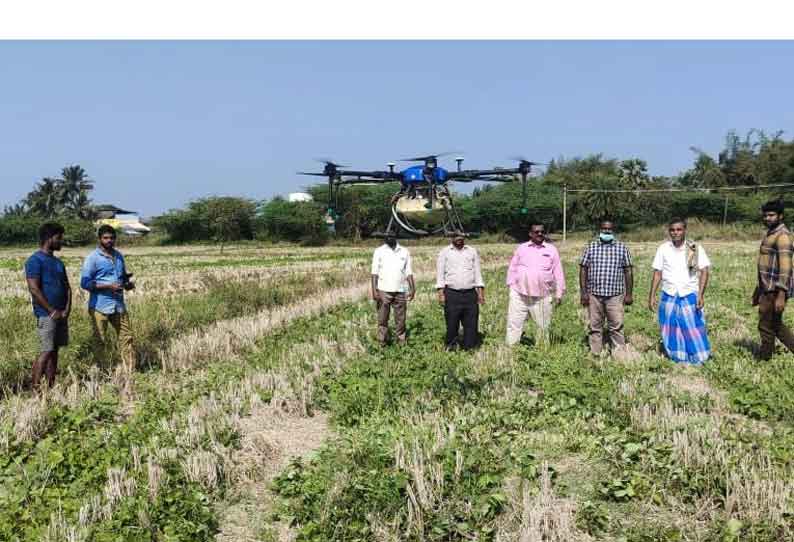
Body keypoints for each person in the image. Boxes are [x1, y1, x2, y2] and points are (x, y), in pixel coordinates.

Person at [648, 218, 712, 364]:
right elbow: (657, 273)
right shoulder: (663, 248)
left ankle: (699, 357)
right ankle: (677, 357)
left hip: (689, 293)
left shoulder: (694, 248)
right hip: (669, 294)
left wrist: (700, 295)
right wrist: (651, 296)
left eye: (678, 229)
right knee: (670, 327)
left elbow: (704, 271)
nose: (675, 233)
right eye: (672, 230)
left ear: (684, 230)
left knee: (693, 326)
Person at [80, 225, 136, 372]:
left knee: (127, 337)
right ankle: (102, 371)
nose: (109, 240)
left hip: (118, 305)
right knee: (100, 341)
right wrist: (108, 286)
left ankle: (129, 369)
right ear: (99, 239)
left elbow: (122, 277)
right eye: (105, 238)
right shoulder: (92, 259)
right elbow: (85, 283)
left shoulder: (118, 256)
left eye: (112, 238)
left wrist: (127, 284)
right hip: (100, 306)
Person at [25, 222, 71, 390]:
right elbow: (34, 289)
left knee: (55, 352)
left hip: (61, 314)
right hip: (46, 315)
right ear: (49, 239)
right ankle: (36, 391)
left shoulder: (58, 263)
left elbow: (67, 287)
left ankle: (50, 389)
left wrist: (67, 310)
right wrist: (52, 311)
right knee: (46, 351)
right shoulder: (35, 260)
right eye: (59, 238)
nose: (61, 241)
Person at [505, 222, 566, 346]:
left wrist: (559, 293)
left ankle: (542, 351)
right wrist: (511, 286)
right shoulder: (522, 248)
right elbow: (513, 267)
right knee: (514, 323)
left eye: (542, 232)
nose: (539, 234)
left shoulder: (551, 249)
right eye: (536, 232)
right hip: (519, 294)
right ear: (530, 234)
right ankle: (511, 348)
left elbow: (558, 272)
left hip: (542, 296)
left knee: (543, 325)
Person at [579, 220, 634, 355]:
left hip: (615, 295)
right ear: (600, 230)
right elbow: (583, 269)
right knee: (595, 326)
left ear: (613, 230)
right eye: (604, 229)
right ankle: (595, 354)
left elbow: (628, 271)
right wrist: (584, 293)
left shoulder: (622, 248)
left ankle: (619, 354)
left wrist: (629, 294)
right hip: (594, 295)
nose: (607, 231)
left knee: (616, 326)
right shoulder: (591, 247)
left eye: (609, 229)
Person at [753, 199, 794, 360]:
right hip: (767, 288)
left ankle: (764, 358)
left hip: (775, 290)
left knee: (765, 325)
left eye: (771, 215)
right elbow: (766, 264)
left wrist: (781, 295)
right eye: (765, 215)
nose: (767, 218)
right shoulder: (772, 233)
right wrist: (758, 289)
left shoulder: (783, 236)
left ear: (780, 216)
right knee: (775, 325)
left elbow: (786, 267)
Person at [436, 231, 485, 350]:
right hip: (452, 293)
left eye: (461, 235)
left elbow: (477, 273)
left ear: (464, 236)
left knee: (471, 322)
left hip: (470, 293)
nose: (458, 238)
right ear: (451, 237)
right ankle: (451, 346)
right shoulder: (445, 252)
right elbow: (440, 274)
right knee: (452, 322)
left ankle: (470, 346)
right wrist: (441, 293)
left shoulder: (472, 251)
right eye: (455, 236)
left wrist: (481, 293)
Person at [371, 233, 416, 346]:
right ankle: (382, 341)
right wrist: (374, 290)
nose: (389, 237)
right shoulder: (379, 251)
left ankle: (401, 341)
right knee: (382, 319)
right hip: (383, 290)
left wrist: (412, 288)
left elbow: (408, 271)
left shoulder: (404, 251)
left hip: (400, 290)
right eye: (387, 235)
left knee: (401, 319)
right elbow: (374, 273)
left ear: (396, 236)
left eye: (391, 235)